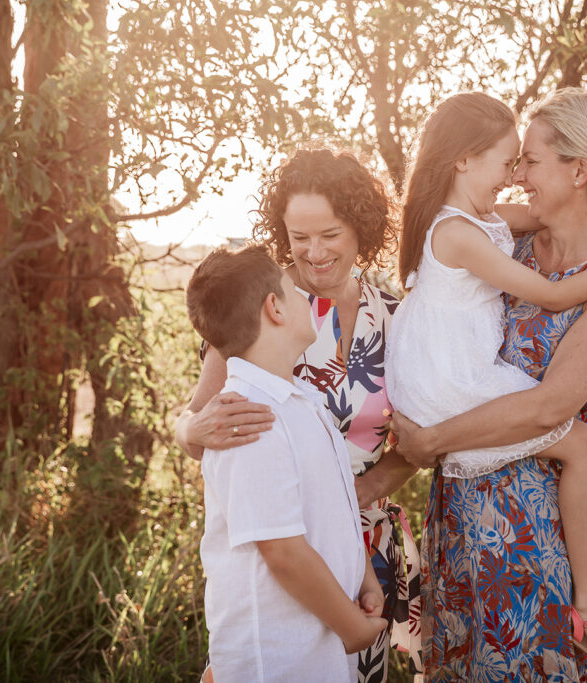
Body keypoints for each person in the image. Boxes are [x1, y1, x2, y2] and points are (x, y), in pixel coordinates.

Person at [389, 89, 587, 682]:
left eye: (530, 162)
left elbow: (551, 407)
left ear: (579, 169)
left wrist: (429, 440)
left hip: (533, 529)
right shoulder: (508, 243)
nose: (518, 177)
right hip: (461, 505)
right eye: (514, 162)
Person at [175, 148, 422, 682]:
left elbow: (422, 441)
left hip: (362, 553)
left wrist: (361, 489)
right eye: (298, 237)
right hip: (283, 547)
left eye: (329, 234)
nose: (312, 254)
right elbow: (200, 424)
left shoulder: (399, 320)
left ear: (360, 227)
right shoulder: (256, 308)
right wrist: (190, 429)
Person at [187, 245, 387, 682]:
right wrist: (352, 628)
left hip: (320, 647)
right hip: (277, 658)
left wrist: (364, 577)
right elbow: (282, 551)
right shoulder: (246, 417)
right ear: (274, 307)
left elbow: (332, 507)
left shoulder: (301, 400)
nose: (307, 299)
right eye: (294, 292)